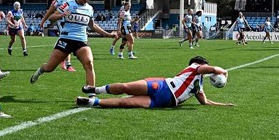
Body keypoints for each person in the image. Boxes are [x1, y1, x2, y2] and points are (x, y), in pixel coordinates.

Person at [30, 0, 118, 95]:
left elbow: (93, 25)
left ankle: (91, 95)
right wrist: (61, 15)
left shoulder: (90, 9)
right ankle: (39, 71)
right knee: (50, 67)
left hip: (81, 41)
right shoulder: (68, 4)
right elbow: (52, 17)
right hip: (66, 39)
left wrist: (107, 34)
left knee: (89, 64)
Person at [76, 56, 234, 108]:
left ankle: (91, 102)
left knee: (127, 103)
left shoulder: (198, 85)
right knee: (127, 87)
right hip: (163, 86)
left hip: (164, 102)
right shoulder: (195, 67)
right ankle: (96, 89)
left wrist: (223, 105)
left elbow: (204, 102)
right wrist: (224, 71)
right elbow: (213, 69)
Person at [40, 0, 76, 71]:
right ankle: (68, 65)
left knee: (66, 42)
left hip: (71, 23)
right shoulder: (57, 1)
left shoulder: (73, 0)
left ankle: (62, 59)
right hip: (62, 23)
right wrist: (43, 21)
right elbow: (49, 12)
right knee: (68, 41)